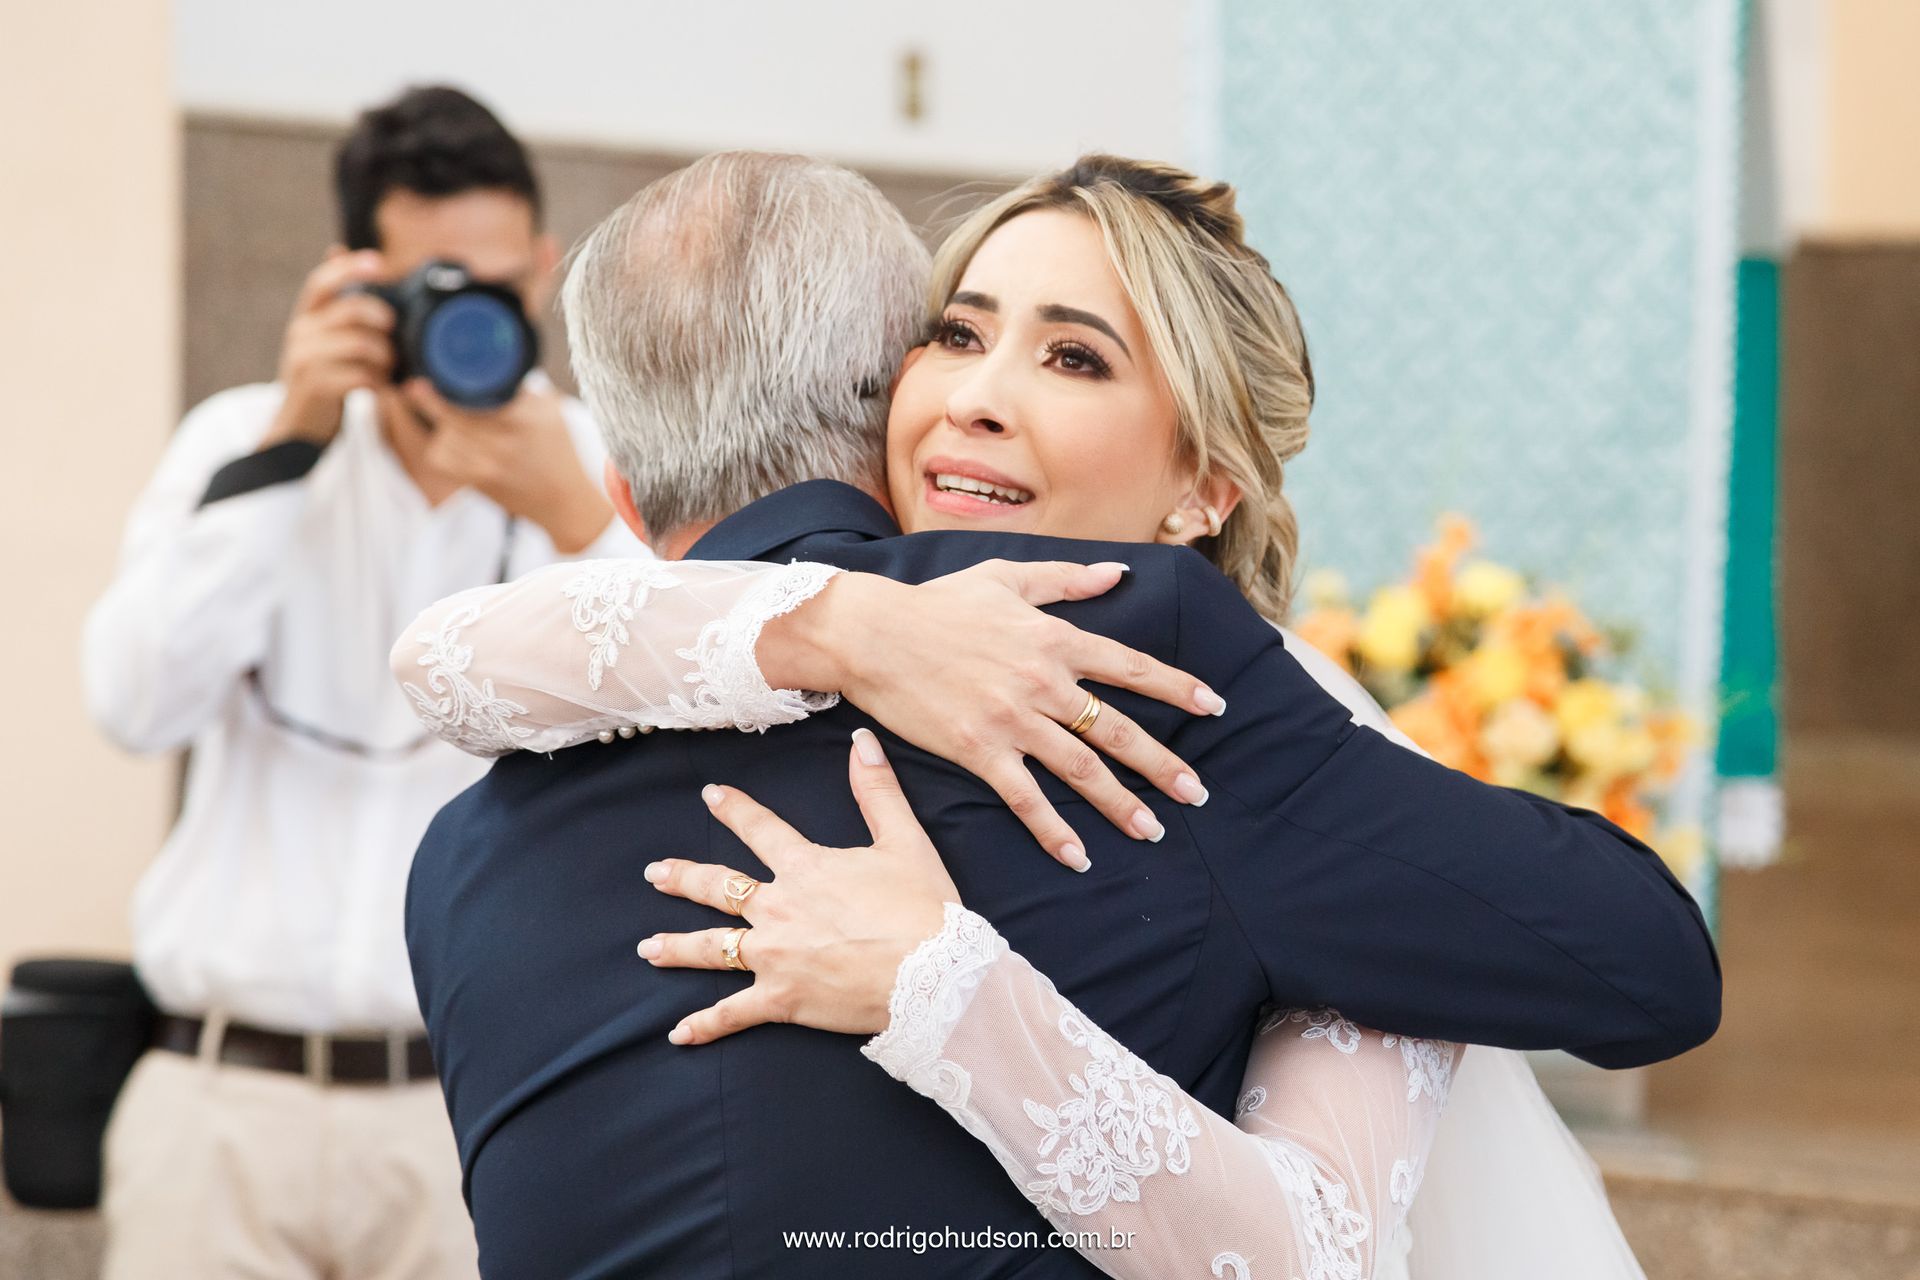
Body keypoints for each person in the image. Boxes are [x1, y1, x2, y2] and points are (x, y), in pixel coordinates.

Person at [398, 152, 1712, 1278]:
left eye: (1073, 356)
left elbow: (1638, 967)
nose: (976, 393)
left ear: (1205, 489)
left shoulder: (461, 860)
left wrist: (943, 988)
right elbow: (443, 657)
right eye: (955, 336)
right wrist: (846, 625)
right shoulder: (694, 675)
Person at [81, 85, 643, 1279]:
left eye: (499, 283)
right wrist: (290, 439)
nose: (472, 317)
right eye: (433, 285)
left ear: (543, 268)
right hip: (221, 1102)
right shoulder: (244, 442)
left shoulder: (602, 466)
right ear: (353, 277)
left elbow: (687, 723)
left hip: (474, 1109)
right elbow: (133, 701)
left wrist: (574, 518)